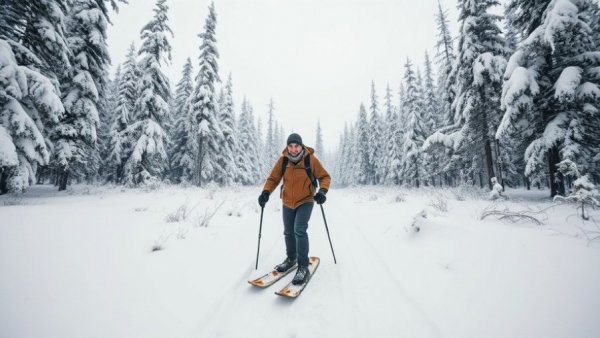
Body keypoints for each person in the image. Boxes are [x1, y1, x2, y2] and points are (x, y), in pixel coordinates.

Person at [257, 133, 331, 285]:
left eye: (296, 146)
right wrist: (266, 192)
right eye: (290, 146)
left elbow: (325, 177)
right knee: (288, 231)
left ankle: (303, 266)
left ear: (301, 146)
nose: (293, 149)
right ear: (287, 147)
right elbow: (273, 178)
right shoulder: (284, 160)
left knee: (299, 230)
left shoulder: (311, 159)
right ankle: (291, 258)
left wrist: (322, 191)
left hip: (306, 200)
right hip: (287, 202)